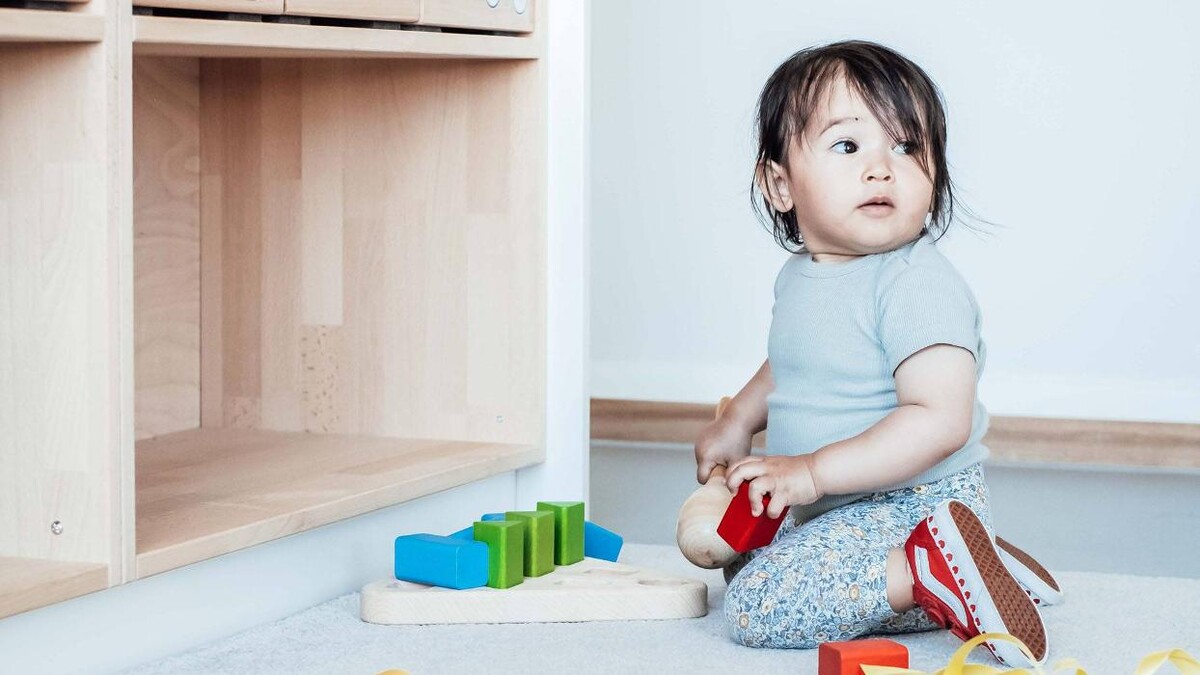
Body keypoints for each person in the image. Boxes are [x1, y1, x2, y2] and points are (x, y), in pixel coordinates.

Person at [692, 39, 1059, 667]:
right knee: (741, 553)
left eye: (908, 146)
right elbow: (794, 359)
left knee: (758, 603)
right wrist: (738, 422)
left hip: (910, 500)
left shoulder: (916, 283)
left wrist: (809, 473)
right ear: (780, 184)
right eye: (847, 145)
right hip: (836, 501)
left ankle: (928, 567)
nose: (882, 167)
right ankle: (976, 566)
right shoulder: (802, 276)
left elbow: (939, 419)